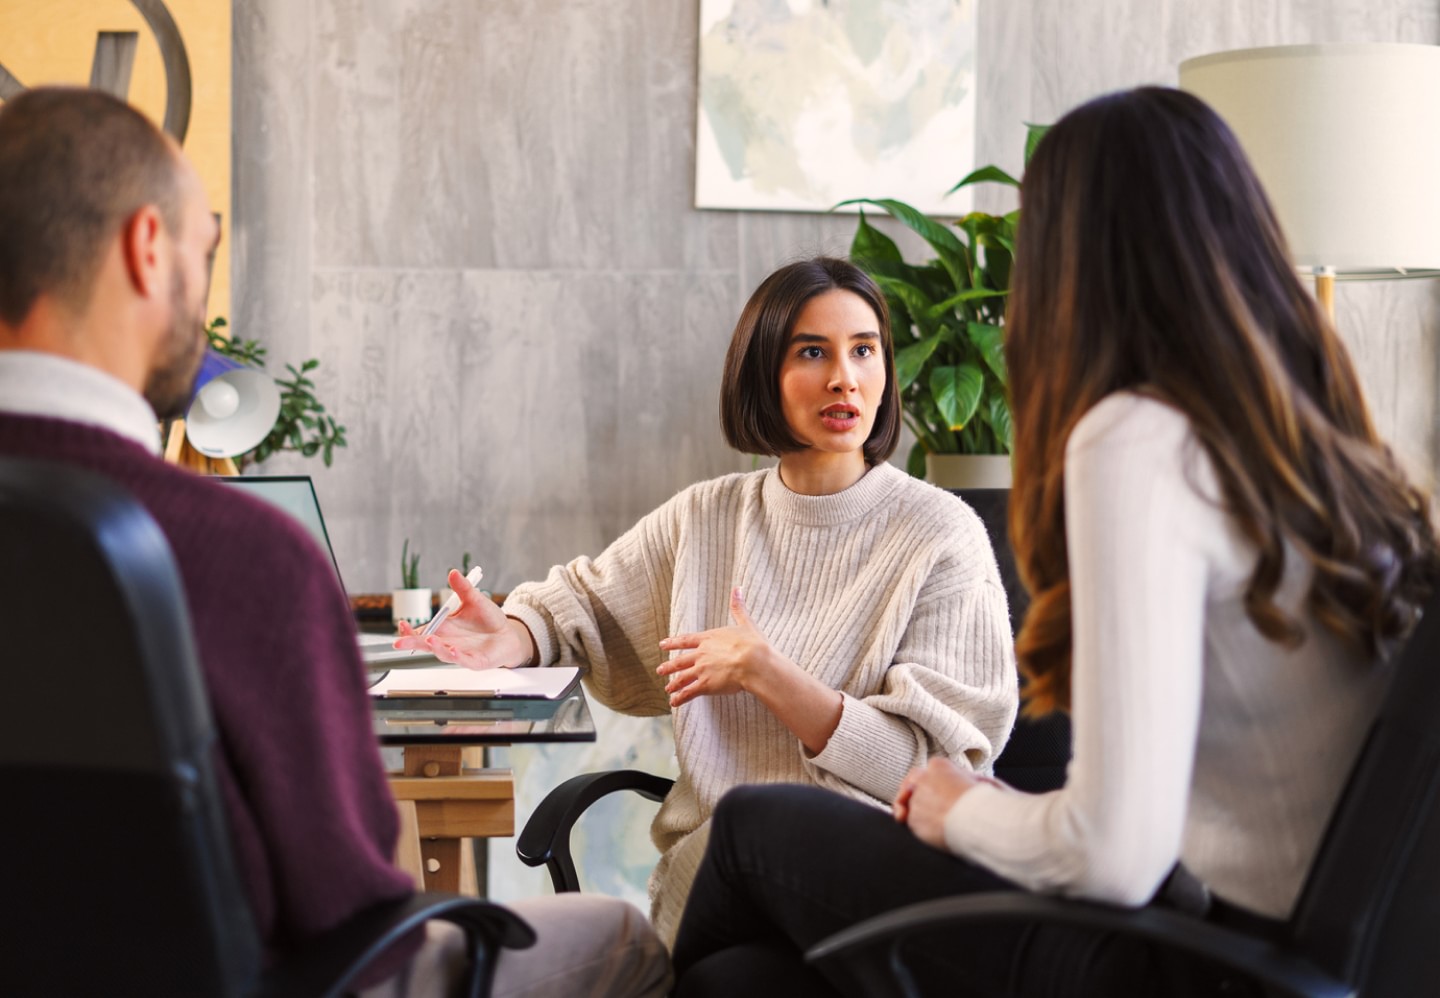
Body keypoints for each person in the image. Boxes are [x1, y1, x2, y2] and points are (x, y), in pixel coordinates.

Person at [667, 86, 1440, 996]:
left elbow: (1113, 856)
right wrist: (1009, 815)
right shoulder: (1325, 440)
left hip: (1190, 967)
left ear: (1072, 254)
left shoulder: (1141, 442)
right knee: (748, 979)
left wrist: (960, 813)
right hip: (1269, 951)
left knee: (755, 829)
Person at [0, 86, 669, 998]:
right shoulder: (242, 557)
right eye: (205, 250)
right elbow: (347, 902)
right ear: (147, 249)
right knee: (621, 938)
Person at [396, 255, 1019, 945]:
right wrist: (514, 634)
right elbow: (581, 604)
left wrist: (769, 674)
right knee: (735, 971)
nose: (845, 377)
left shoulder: (940, 536)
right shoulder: (707, 518)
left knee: (749, 844)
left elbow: (933, 772)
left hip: (866, 890)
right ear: (763, 374)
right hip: (725, 892)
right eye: (813, 352)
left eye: (864, 350)